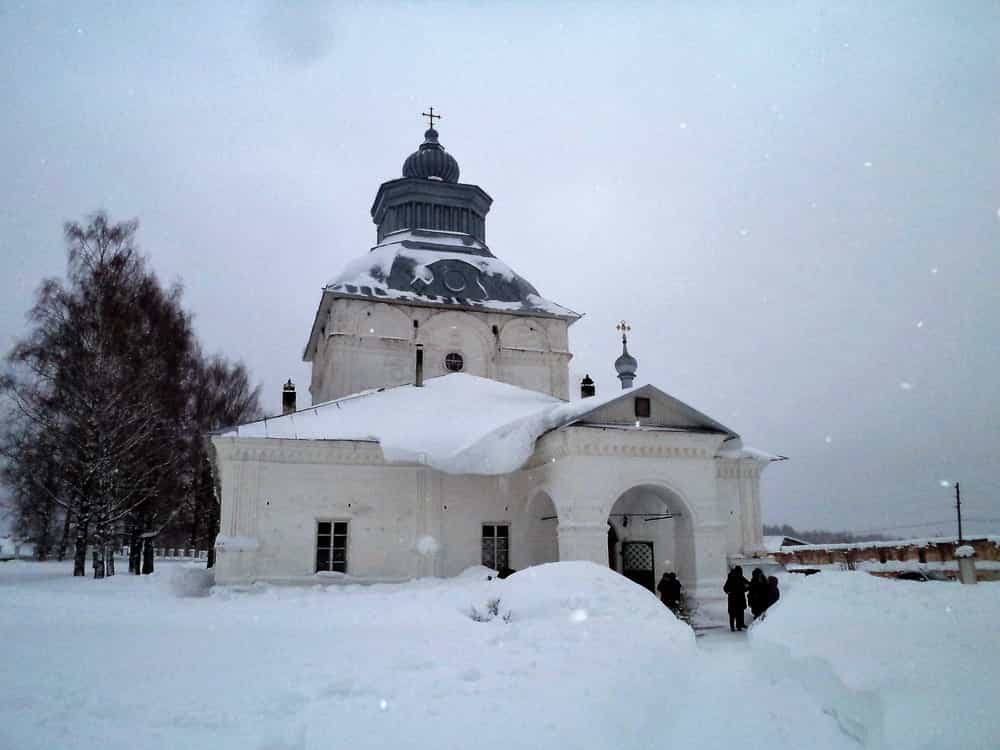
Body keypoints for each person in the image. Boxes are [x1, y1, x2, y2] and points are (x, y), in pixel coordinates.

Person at [723, 566, 750, 632]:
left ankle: (735, 626)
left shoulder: (733, 577)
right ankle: (738, 626)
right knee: (738, 612)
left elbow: (725, 588)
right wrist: (745, 589)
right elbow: (747, 585)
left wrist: (729, 592)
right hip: (737, 598)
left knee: (735, 613)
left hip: (734, 598)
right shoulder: (735, 577)